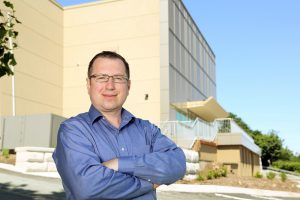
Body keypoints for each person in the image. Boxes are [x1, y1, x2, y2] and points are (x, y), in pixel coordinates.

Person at [53, 51, 186, 200]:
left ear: (128, 85)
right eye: (101, 78)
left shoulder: (147, 129)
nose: (110, 86)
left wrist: (119, 164)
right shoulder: (73, 130)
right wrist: (148, 184)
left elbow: (177, 164)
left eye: (118, 78)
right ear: (88, 84)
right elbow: (87, 187)